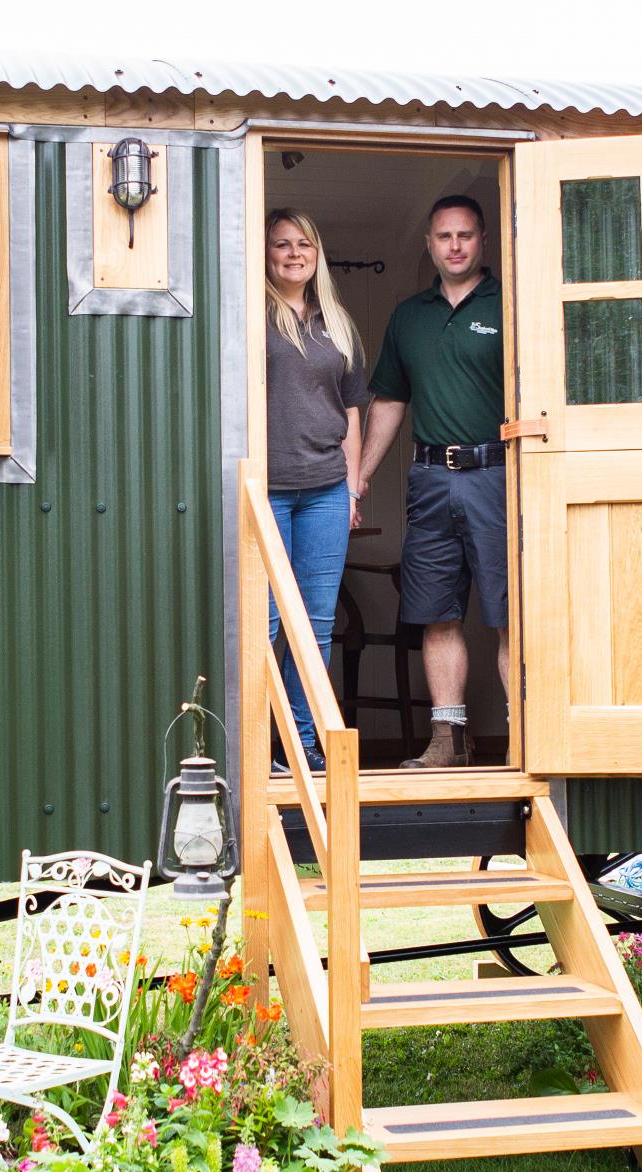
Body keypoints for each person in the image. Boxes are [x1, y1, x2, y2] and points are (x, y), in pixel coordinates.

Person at [359, 195, 507, 769]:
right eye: (444, 236)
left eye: (465, 236)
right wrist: (361, 478)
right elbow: (391, 400)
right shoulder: (408, 315)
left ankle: (526, 735)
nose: (454, 246)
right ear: (428, 243)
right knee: (436, 610)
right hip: (429, 478)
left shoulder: (510, 305)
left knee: (507, 612)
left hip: (496, 473)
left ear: (483, 240)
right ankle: (449, 740)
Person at [264, 208, 369, 773]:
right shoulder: (256, 314)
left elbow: (352, 410)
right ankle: (263, 743)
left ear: (317, 251)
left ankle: (302, 744)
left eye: (304, 243)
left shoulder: (337, 322)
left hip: (327, 490)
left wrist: (352, 487)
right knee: (270, 625)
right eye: (282, 244)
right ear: (267, 253)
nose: (293, 253)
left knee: (317, 625)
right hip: (271, 492)